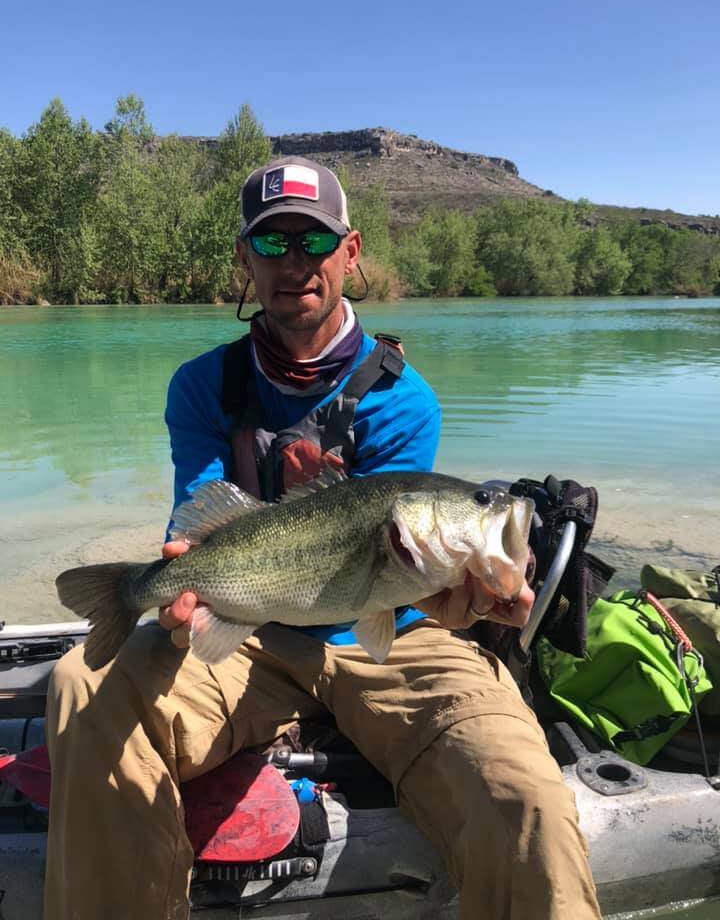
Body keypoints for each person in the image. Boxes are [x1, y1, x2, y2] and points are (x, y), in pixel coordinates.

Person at [44, 157, 602, 920]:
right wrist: (177, 585)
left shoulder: (404, 400)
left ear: (351, 251)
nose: (295, 263)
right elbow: (197, 525)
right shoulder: (203, 386)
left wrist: (469, 599)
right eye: (272, 245)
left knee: (526, 798)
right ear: (244, 259)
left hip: (392, 636)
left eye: (315, 241)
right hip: (248, 632)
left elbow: (406, 574)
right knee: (82, 684)